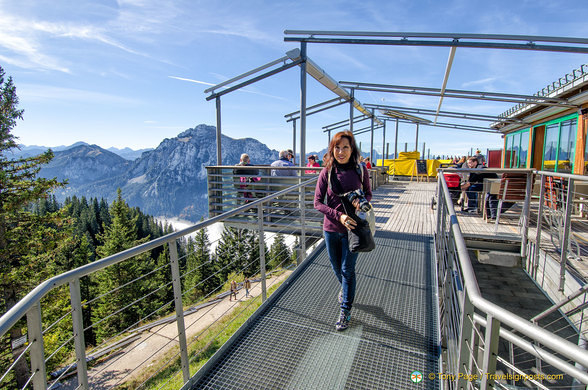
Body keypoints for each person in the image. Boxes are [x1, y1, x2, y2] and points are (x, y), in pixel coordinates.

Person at [314, 130, 372, 331]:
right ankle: (347, 290)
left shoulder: (360, 170)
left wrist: (360, 204)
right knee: (337, 268)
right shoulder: (327, 172)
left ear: (352, 149)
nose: (341, 151)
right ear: (332, 149)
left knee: (347, 270)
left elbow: (369, 194)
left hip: (353, 229)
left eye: (345, 147)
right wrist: (339, 216)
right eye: (337, 147)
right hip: (330, 229)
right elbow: (317, 203)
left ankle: (345, 310)